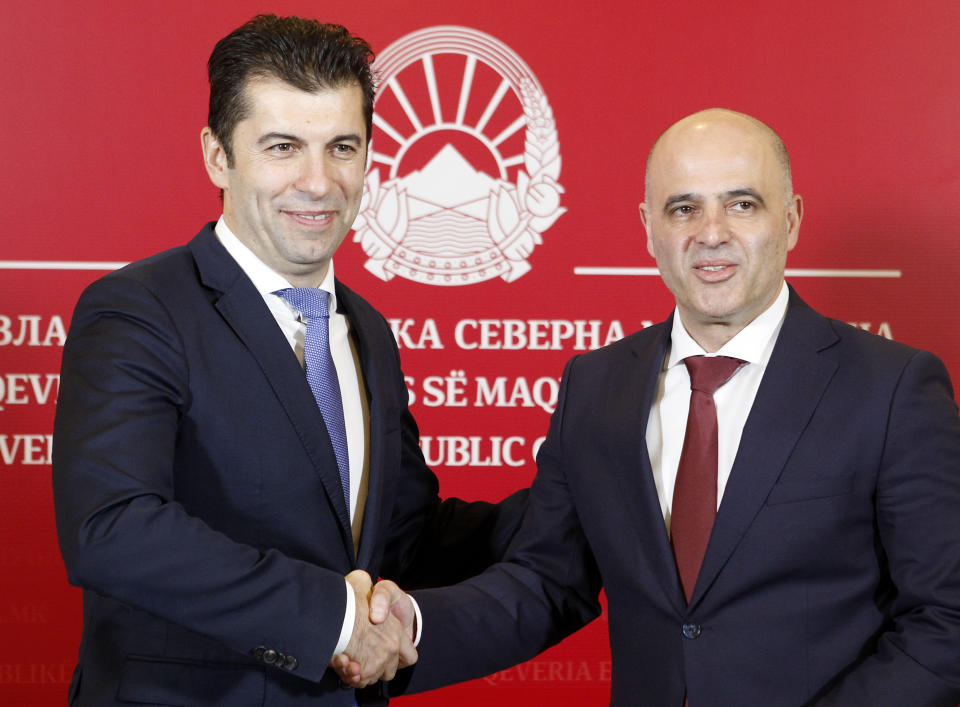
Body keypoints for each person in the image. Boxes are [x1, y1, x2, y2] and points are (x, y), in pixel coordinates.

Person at [373, 108, 960, 705]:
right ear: (649, 227)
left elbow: (948, 620)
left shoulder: (892, 389)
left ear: (791, 220)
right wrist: (407, 628)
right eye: (683, 208)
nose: (710, 233)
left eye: (742, 204)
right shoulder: (596, 386)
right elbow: (546, 582)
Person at [52, 14, 525, 707]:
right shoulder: (139, 309)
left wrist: (575, 511)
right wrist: (333, 617)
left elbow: (403, 536)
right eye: (282, 147)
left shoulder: (368, 330)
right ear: (219, 156)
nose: (318, 181)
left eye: (342, 147)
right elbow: (113, 527)